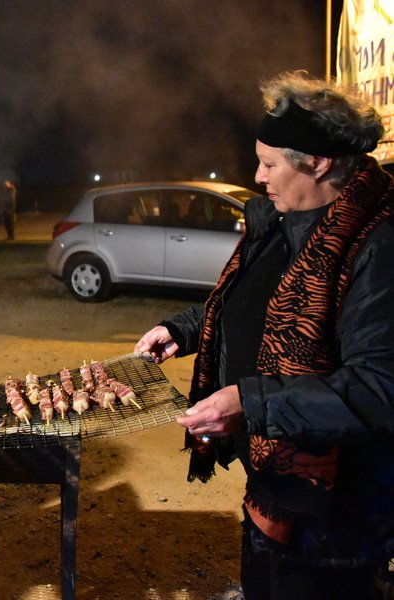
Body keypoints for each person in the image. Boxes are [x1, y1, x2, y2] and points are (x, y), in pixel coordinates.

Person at [134, 71, 394, 600]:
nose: (257, 175)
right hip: (274, 478)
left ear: (319, 163)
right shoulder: (283, 221)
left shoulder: (377, 244)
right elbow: (246, 303)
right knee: (266, 578)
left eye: (270, 163)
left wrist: (250, 402)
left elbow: (378, 388)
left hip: (339, 506)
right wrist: (181, 330)